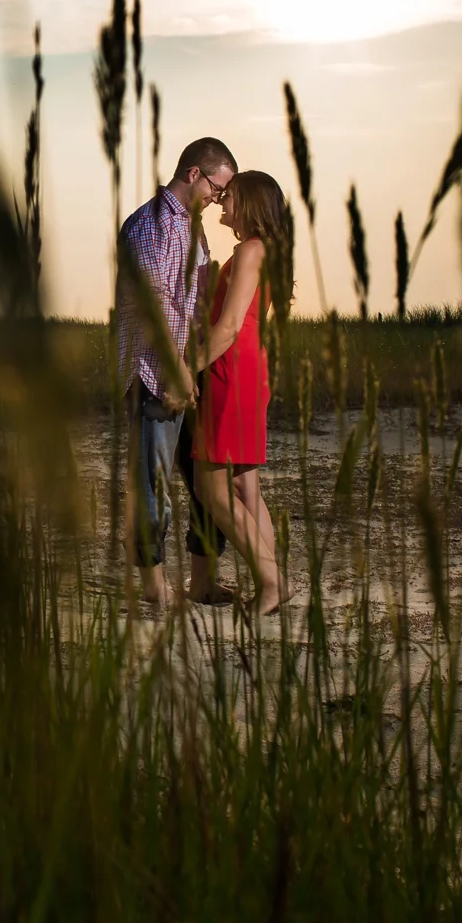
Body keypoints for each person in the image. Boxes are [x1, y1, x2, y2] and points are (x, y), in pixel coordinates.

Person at [116, 136, 238, 609]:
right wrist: (177, 372)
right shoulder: (149, 226)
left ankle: (203, 580)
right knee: (152, 482)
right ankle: (153, 587)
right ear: (194, 174)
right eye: (218, 187)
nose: (219, 198)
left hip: (190, 373)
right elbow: (154, 307)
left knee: (208, 478)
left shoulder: (193, 229)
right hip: (155, 375)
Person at [191, 169, 290, 615]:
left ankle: (271, 582)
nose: (222, 202)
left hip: (232, 370)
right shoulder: (258, 251)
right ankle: (274, 584)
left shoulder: (251, 251)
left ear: (248, 203)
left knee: (211, 489)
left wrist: (184, 370)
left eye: (230, 196)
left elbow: (229, 327)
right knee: (243, 484)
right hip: (248, 369)